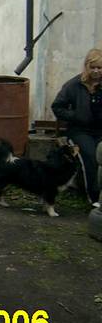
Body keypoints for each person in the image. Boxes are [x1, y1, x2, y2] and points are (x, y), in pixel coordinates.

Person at [51, 48, 102, 206]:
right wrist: (76, 116)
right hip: (80, 131)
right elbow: (57, 107)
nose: (95, 71)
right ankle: (94, 198)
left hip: (100, 130)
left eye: (99, 68)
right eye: (92, 67)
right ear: (86, 66)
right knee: (91, 156)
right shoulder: (74, 85)